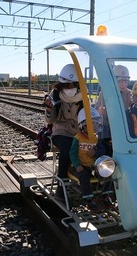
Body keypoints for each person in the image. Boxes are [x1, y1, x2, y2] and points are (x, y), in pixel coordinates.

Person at [44, 64, 83, 200]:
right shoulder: (54, 95)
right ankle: (62, 183)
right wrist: (49, 110)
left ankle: (85, 179)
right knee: (68, 146)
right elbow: (50, 121)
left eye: (73, 85)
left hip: (79, 133)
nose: (70, 88)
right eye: (67, 85)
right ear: (61, 85)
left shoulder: (84, 97)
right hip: (60, 132)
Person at [70, 108, 113, 211]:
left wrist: (95, 153)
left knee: (108, 174)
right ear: (83, 125)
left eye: (95, 124)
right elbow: (72, 153)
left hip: (93, 166)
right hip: (82, 166)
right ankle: (89, 200)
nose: (94, 127)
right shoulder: (78, 138)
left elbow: (102, 150)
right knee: (84, 177)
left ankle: (105, 195)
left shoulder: (96, 138)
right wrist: (77, 165)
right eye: (91, 124)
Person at [95, 64, 131, 155]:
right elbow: (96, 110)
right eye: (120, 81)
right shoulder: (104, 93)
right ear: (114, 80)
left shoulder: (130, 94)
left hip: (125, 128)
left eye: (126, 81)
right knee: (103, 147)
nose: (124, 84)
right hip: (107, 128)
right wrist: (99, 110)